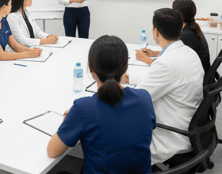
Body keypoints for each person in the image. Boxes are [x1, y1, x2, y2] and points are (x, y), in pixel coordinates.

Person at [47, 35, 156, 174]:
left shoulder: (83, 109)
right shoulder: (145, 98)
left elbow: (52, 151)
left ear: (90, 68)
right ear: (125, 68)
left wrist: (69, 121)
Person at [122, 8, 204, 164]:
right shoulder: (187, 52)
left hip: (170, 133)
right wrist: (130, 78)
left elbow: (135, 101)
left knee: (115, 134)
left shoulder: (166, 63)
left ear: (155, 31)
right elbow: (163, 77)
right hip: (188, 122)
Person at [136, 0, 210, 72]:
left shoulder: (185, 36)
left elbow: (165, 66)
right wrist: (154, 53)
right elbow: (173, 53)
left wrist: (144, 58)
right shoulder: (191, 28)